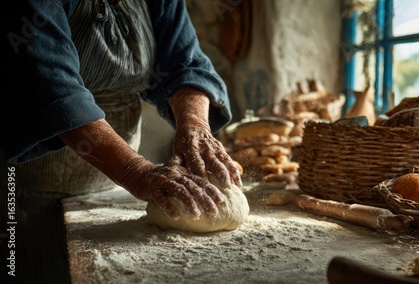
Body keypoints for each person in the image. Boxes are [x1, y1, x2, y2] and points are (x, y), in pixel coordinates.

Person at [2, 0, 242, 217]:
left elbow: (186, 63)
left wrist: (196, 127)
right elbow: (50, 85)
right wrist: (134, 171)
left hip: (115, 187)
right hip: (33, 189)